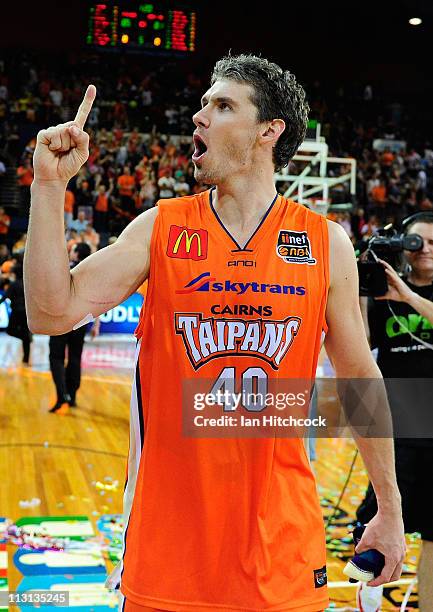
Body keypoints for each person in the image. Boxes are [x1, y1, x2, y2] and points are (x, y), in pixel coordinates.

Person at [24, 55, 406, 612]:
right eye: (203, 103)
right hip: (167, 555)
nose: (199, 116)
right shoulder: (162, 226)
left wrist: (390, 509)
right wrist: (48, 187)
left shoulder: (325, 243)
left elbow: (359, 381)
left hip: (284, 554)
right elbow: (50, 313)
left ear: (268, 131)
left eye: (222, 105)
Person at [357, 213, 433, 610]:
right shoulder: (378, 295)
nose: (428, 251)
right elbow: (355, 346)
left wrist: (407, 295)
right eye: (420, 243)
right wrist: (358, 283)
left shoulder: (407, 295)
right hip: (397, 429)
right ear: (404, 246)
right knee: (375, 523)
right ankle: (365, 602)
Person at [48, 242, 100, 414]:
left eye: (73, 250)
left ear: (77, 254)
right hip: (81, 320)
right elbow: (97, 299)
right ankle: (72, 395)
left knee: (56, 357)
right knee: (75, 358)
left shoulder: (63, 268)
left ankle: (62, 394)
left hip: (61, 320)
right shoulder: (91, 272)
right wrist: (96, 323)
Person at [0, 260, 32, 364]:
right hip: (26, 313)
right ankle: (26, 358)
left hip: (16, 312)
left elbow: (5, 297)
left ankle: (24, 337)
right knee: (25, 334)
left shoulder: (13, 284)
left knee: (10, 330)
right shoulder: (27, 283)